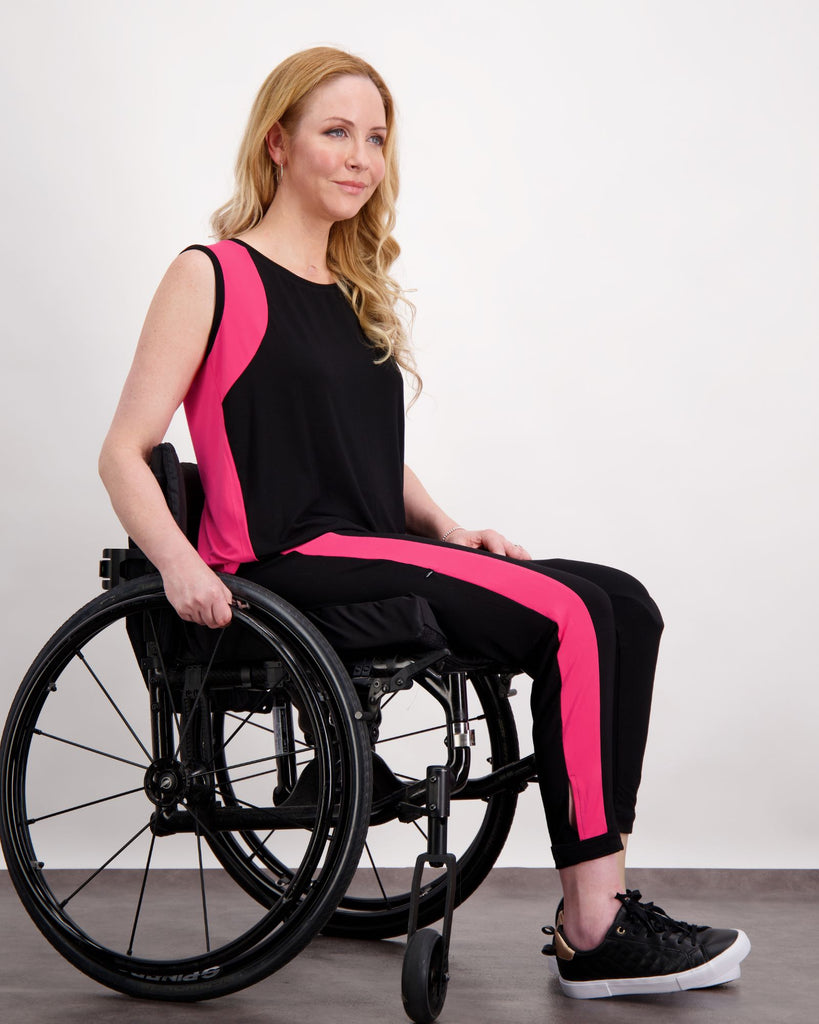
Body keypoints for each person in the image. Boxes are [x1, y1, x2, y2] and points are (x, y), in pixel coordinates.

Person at [98, 45, 750, 999]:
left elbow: (357, 451)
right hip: (282, 563)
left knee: (623, 602)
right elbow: (123, 449)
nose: (360, 157)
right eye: (335, 132)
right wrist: (179, 566)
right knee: (567, 619)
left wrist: (446, 526)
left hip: (374, 549)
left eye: (375, 138)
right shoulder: (215, 274)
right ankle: (594, 926)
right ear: (277, 143)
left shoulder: (349, 293)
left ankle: (602, 899)